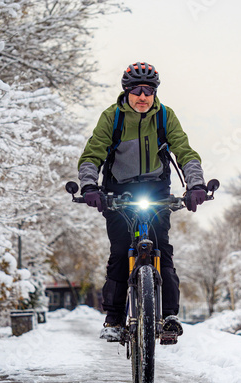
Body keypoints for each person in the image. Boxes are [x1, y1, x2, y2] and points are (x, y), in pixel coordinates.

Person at [78, 62, 207, 341]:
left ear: (154, 93)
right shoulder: (113, 117)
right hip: (117, 193)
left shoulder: (164, 116)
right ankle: (113, 321)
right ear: (126, 92)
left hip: (156, 190)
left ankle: (170, 317)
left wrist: (195, 184)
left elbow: (184, 151)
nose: (142, 96)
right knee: (120, 253)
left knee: (163, 249)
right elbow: (93, 154)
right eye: (136, 90)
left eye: (148, 90)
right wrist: (89, 185)